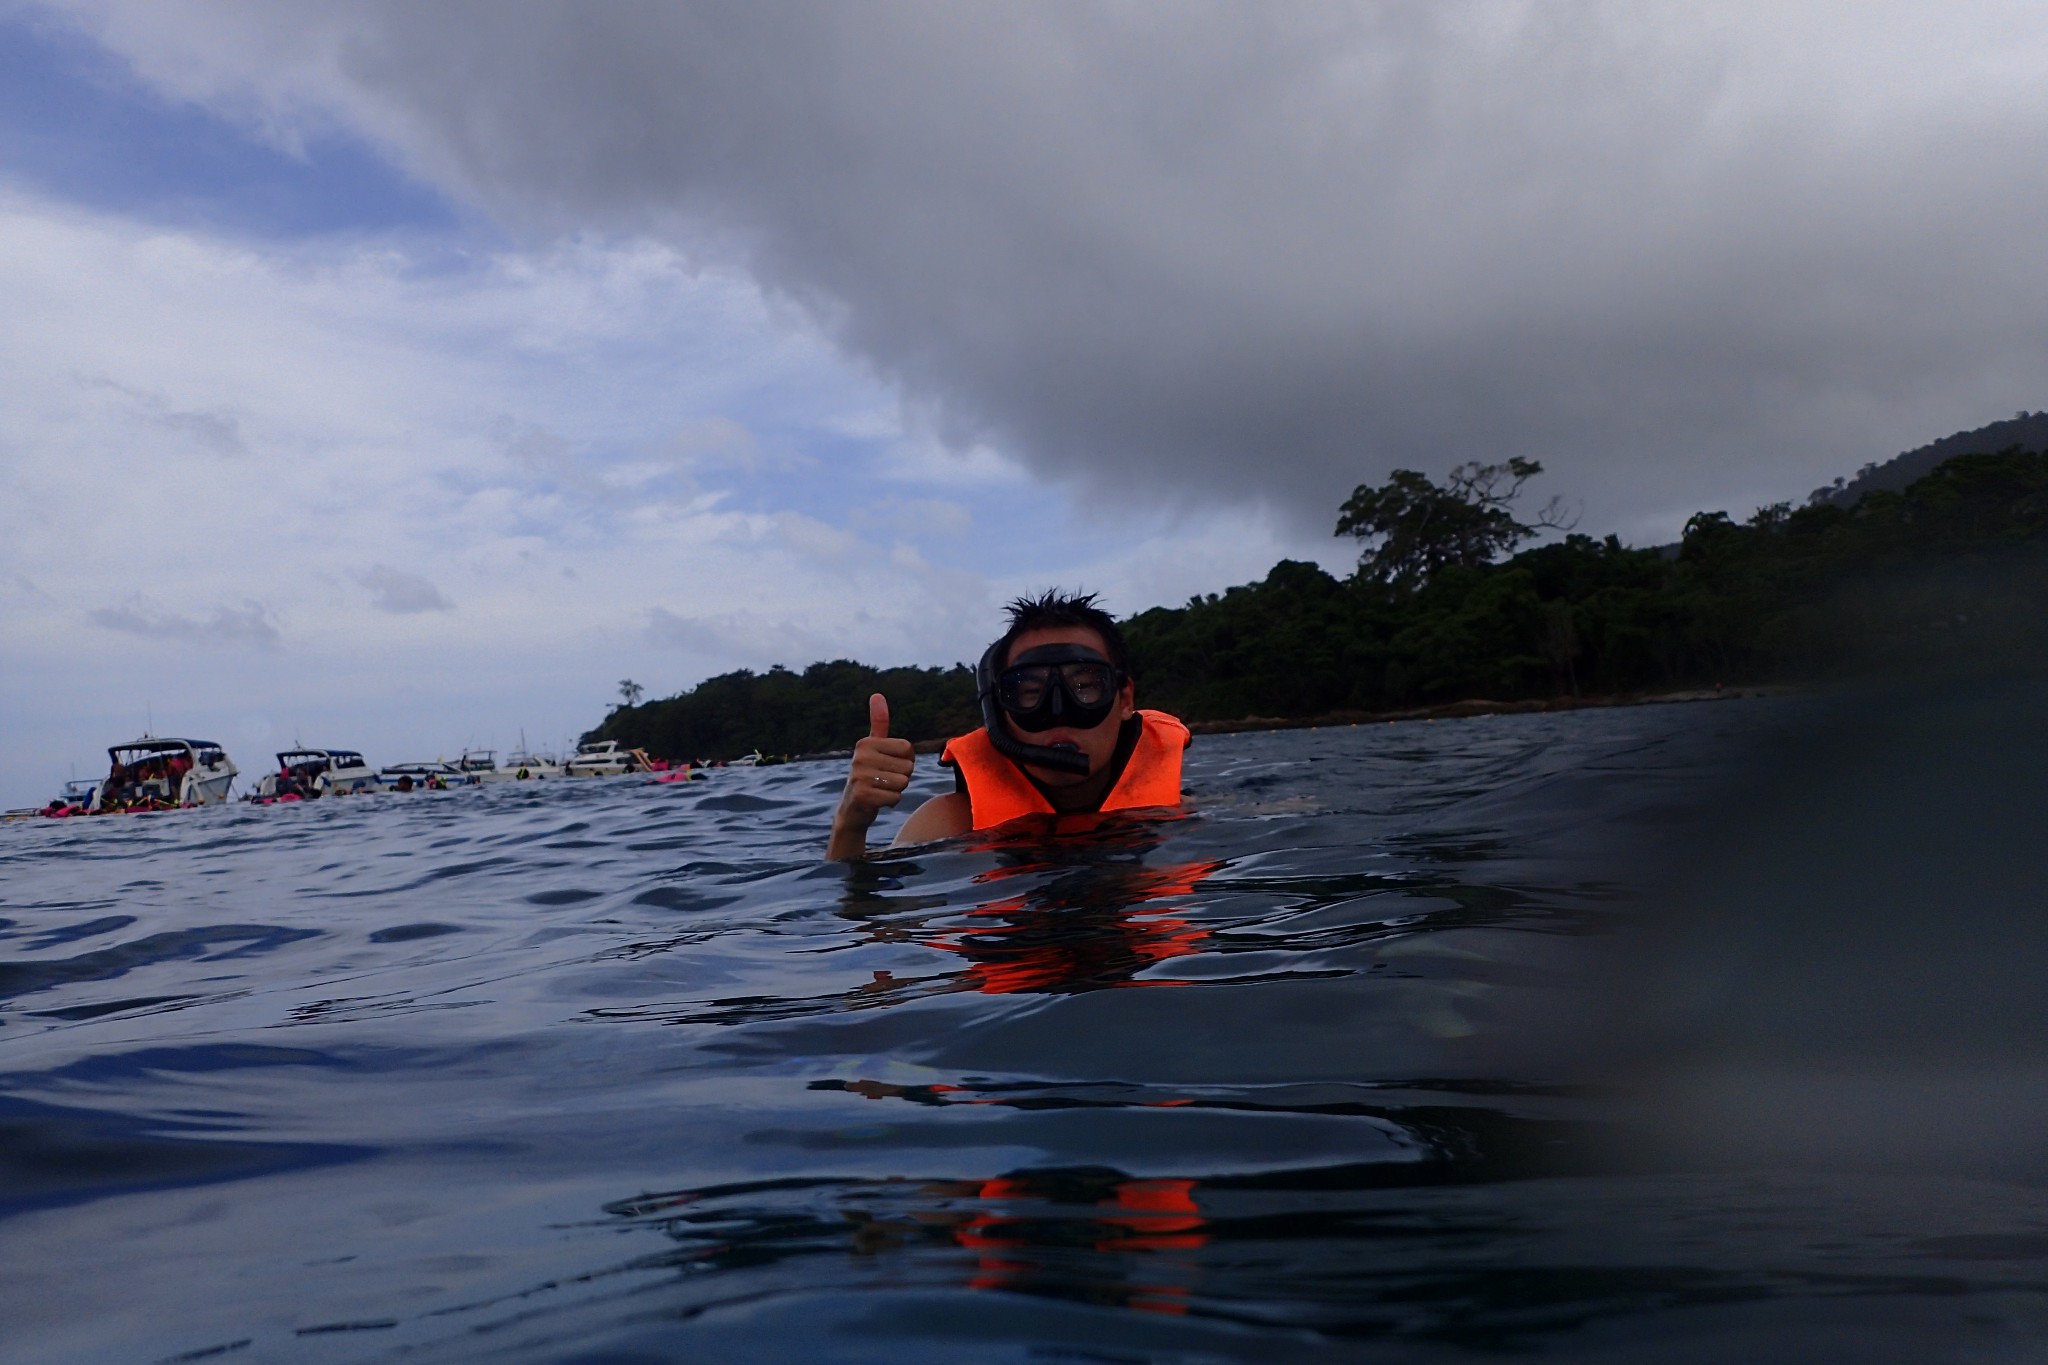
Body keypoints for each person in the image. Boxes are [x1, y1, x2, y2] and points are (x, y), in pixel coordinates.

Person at [827, 590, 1189, 860]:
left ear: (1124, 700)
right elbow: (871, 917)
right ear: (1001, 710)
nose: (1059, 710)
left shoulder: (1182, 813)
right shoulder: (953, 823)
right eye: (1031, 692)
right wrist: (851, 824)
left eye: (1085, 687)